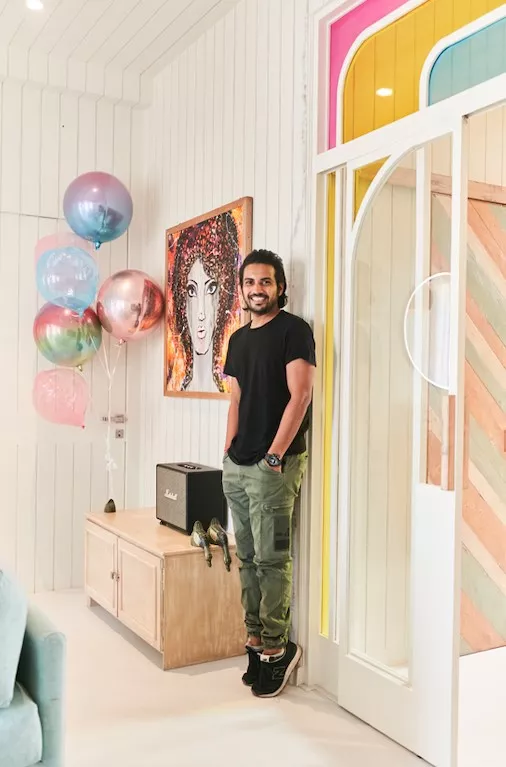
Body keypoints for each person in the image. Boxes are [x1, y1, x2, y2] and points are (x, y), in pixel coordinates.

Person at [222, 249, 316, 698]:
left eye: (265, 281)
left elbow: (301, 397)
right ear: (242, 289)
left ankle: (278, 650)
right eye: (250, 282)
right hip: (238, 467)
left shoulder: (294, 331)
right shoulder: (238, 340)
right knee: (247, 558)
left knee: (272, 559)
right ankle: (256, 641)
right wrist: (228, 451)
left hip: (273, 468)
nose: (257, 289)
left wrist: (275, 457)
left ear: (280, 286)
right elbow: (236, 400)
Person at [167, 212, 240, 393]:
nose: (201, 313)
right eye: (191, 291)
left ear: (223, 297)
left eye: (211, 289)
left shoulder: (232, 385)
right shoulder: (177, 387)